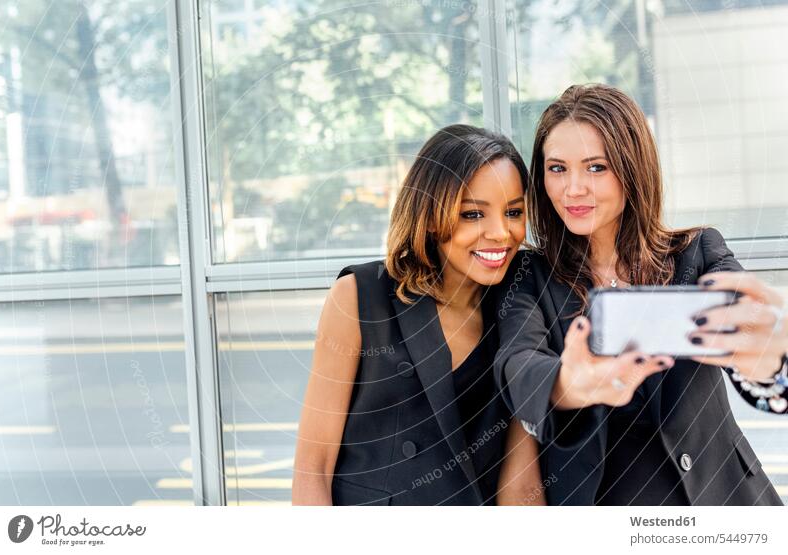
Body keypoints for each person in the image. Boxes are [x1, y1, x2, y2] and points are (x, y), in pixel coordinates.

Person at [494, 84, 788, 506]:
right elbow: (517, 367)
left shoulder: (698, 253)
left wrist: (771, 358)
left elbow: (757, 347)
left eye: (596, 167)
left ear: (632, 168)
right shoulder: (529, 275)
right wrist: (569, 384)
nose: (573, 188)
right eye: (557, 168)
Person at [292, 124, 544, 505]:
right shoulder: (359, 296)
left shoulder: (519, 304)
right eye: (473, 214)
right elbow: (314, 466)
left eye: (513, 212)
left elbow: (519, 481)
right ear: (429, 214)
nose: (501, 232)